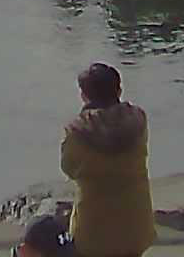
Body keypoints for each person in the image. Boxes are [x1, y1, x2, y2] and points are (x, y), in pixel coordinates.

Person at [61, 62, 153, 257]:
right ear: (119, 90)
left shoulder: (77, 131)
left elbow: (68, 167)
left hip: (93, 226)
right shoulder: (138, 121)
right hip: (135, 222)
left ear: (84, 95)